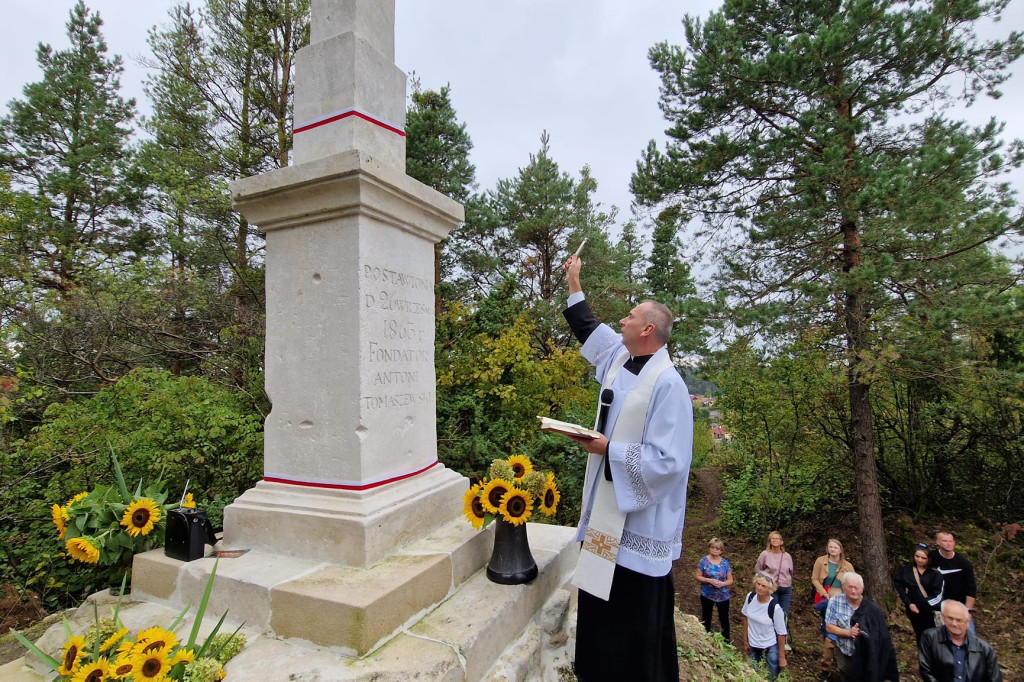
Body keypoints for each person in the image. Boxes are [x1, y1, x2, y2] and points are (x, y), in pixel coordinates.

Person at [562, 254, 693, 682]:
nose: (622, 319)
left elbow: (669, 463)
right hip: (606, 505)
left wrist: (608, 450)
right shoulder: (618, 360)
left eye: (631, 315)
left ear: (648, 329)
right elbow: (586, 326)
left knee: (632, 609)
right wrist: (574, 279)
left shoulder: (669, 384)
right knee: (599, 599)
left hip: (638, 517)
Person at [825, 572, 899, 681]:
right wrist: (849, 633)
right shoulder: (835, 602)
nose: (853, 591)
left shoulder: (872, 609)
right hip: (845, 653)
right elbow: (829, 627)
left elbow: (882, 637)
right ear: (844, 587)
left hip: (867, 657)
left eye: (856, 587)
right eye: (850, 587)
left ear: (862, 589)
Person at [919, 600, 1002, 682]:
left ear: (968, 622)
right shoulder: (930, 637)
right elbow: (926, 671)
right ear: (943, 618)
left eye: (959, 620)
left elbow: (994, 678)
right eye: (950, 619)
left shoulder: (985, 649)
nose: (954, 624)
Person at [813, 538, 855, 679]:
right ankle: (827, 663)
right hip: (826, 600)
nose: (832, 550)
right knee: (828, 629)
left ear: (840, 550)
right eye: (830, 547)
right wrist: (823, 593)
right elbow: (815, 579)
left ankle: (837, 658)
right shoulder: (821, 561)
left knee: (837, 629)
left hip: (842, 603)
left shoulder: (847, 565)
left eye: (835, 547)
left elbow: (853, 581)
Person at [893, 543, 944, 646]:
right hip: (913, 611)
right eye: (917, 556)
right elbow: (898, 584)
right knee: (921, 636)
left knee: (934, 638)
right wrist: (909, 603)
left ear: (928, 559)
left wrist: (922, 604)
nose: (920, 560)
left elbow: (938, 596)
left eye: (923, 558)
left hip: (930, 611)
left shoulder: (935, 574)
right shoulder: (907, 570)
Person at [741, 572, 788, 679]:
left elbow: (781, 634)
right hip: (753, 644)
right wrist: (745, 641)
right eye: (758, 584)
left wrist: (782, 657)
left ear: (769, 590)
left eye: (763, 586)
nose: (760, 588)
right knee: (753, 676)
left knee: (771, 676)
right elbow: (745, 617)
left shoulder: (775, 608)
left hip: (770, 645)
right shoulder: (750, 597)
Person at [929, 532, 978, 633]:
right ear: (937, 542)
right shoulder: (931, 558)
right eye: (945, 541)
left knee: (969, 635)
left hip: (959, 606)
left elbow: (971, 589)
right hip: (938, 608)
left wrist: (967, 611)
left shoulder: (964, 563)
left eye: (951, 541)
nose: (948, 544)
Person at [754, 530, 794, 649]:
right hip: (772, 589)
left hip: (785, 588)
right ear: (769, 541)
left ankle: (782, 640)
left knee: (784, 613)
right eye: (773, 538)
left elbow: (791, 572)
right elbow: (758, 569)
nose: (775, 540)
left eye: (777, 538)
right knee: (772, 613)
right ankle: (770, 639)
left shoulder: (787, 556)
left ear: (781, 542)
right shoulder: (765, 554)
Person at [696, 537, 734, 641]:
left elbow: (730, 580)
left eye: (717, 548)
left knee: (724, 618)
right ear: (709, 548)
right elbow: (698, 576)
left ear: (721, 551)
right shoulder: (703, 561)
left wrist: (723, 583)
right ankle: (706, 638)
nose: (714, 550)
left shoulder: (725, 563)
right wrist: (709, 580)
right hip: (707, 594)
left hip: (723, 595)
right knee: (706, 616)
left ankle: (726, 641)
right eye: (712, 547)